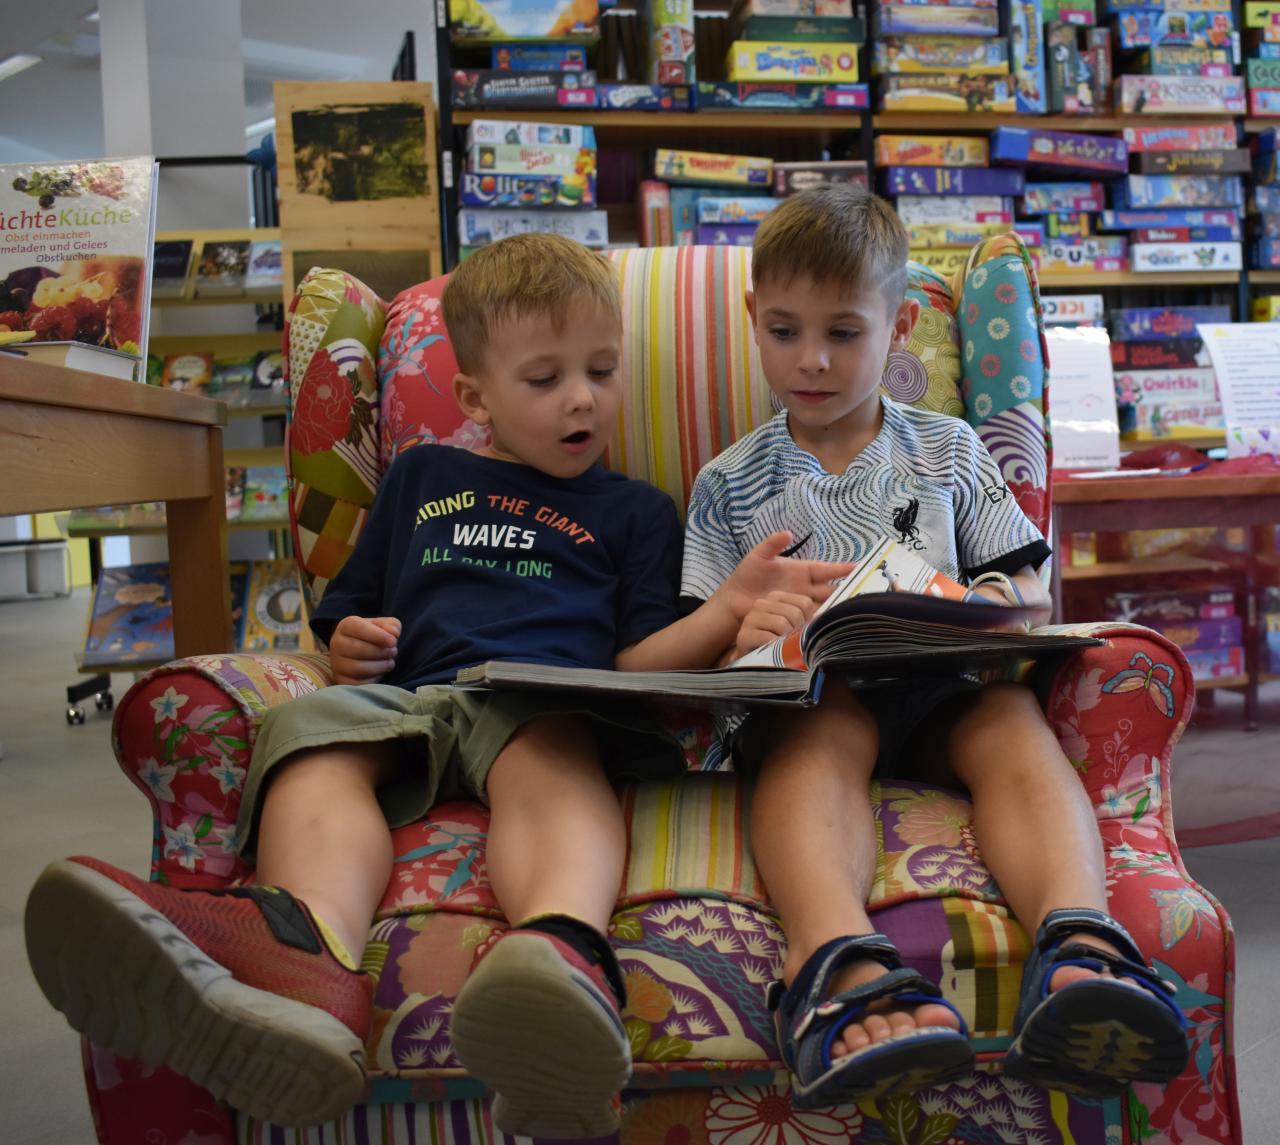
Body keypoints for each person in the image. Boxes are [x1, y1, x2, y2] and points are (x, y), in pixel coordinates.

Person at [24, 234, 852, 1138]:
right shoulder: (423, 476)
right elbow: (347, 614)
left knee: (555, 757)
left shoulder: (638, 511)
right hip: (409, 696)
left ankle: (558, 962)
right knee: (311, 735)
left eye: (603, 370)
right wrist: (349, 646)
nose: (583, 397)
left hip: (542, 700)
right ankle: (308, 963)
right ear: (473, 395)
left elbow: (638, 666)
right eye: (544, 379)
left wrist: (730, 606)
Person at [679, 184, 1190, 1108]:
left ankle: (1079, 945)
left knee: (1006, 719)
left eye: (844, 331)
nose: (814, 359)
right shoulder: (729, 482)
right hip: (812, 697)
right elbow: (701, 645)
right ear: (752, 318)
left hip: (947, 682)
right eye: (785, 331)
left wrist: (978, 593)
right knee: (817, 730)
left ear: (901, 324)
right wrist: (742, 624)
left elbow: (1029, 594)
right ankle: (833, 963)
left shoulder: (950, 452)